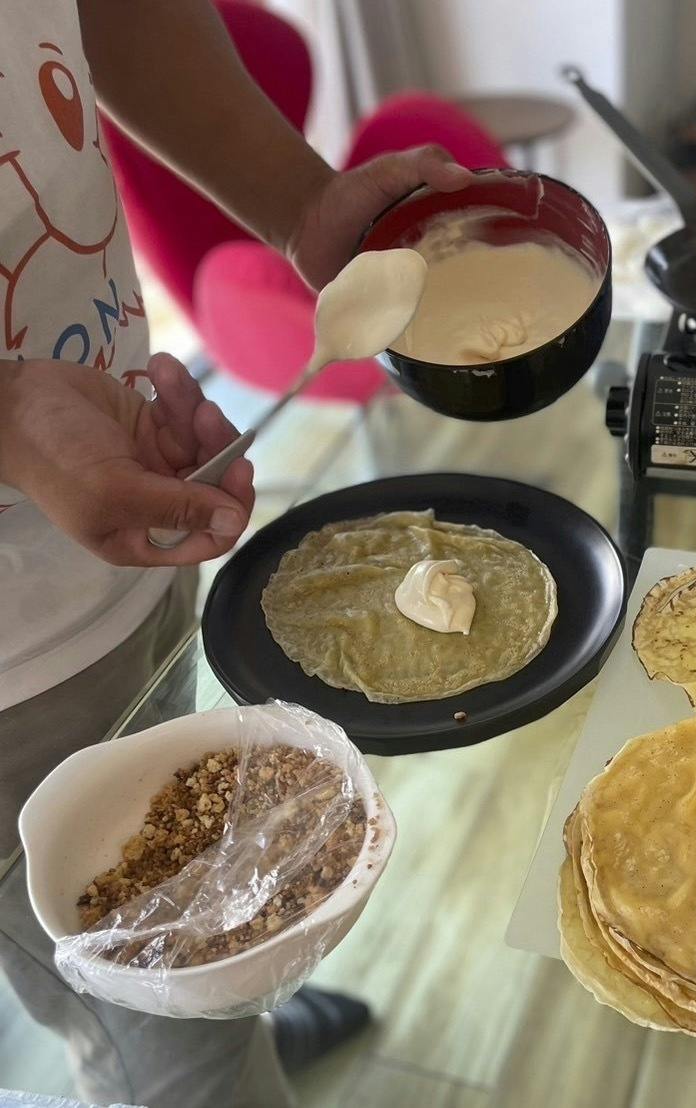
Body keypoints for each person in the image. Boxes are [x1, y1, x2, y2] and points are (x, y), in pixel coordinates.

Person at [0, 2, 475, 1105]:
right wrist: (8, 413)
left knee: (213, 904)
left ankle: (232, 1004)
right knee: (166, 1050)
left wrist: (301, 200)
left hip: (120, 508)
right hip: (12, 665)